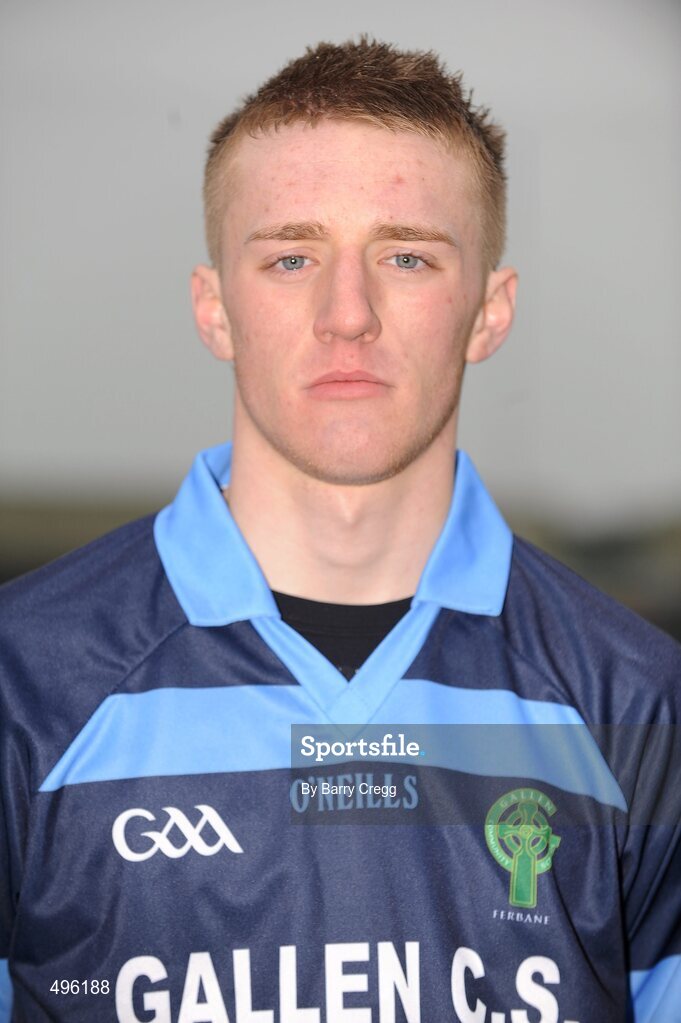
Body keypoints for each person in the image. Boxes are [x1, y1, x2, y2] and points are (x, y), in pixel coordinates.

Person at [1, 37, 679, 1023]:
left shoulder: (639, 702)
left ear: (489, 312)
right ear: (216, 309)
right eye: (290, 256)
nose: (346, 314)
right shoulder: (23, 683)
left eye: (406, 256)